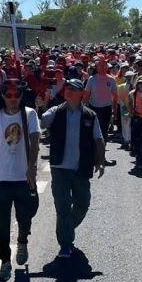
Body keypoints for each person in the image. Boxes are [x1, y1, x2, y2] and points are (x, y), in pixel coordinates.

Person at [0, 79, 40, 280]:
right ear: (3, 96)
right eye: (9, 95)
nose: (13, 99)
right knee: (2, 223)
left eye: (17, 95)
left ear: (21, 96)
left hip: (23, 179)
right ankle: (5, 262)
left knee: (24, 218)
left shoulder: (29, 115)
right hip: (1, 179)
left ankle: (22, 241)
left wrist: (31, 168)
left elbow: (34, 141)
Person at [38, 79, 105, 258]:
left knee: (82, 205)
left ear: (81, 94)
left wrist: (100, 160)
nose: (68, 91)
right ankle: (65, 243)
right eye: (67, 88)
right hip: (59, 167)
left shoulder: (90, 116)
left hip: (81, 168)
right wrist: (39, 107)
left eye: (73, 89)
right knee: (63, 206)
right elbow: (42, 124)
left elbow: (99, 140)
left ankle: (65, 228)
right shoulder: (55, 111)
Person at [84, 59, 118, 143]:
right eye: (100, 66)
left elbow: (114, 96)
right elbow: (87, 95)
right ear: (97, 68)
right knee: (93, 128)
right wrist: (87, 107)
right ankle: (93, 148)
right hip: (93, 107)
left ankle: (102, 149)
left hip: (106, 108)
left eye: (104, 66)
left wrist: (114, 110)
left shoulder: (112, 80)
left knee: (104, 129)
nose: (103, 68)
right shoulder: (92, 79)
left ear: (107, 68)